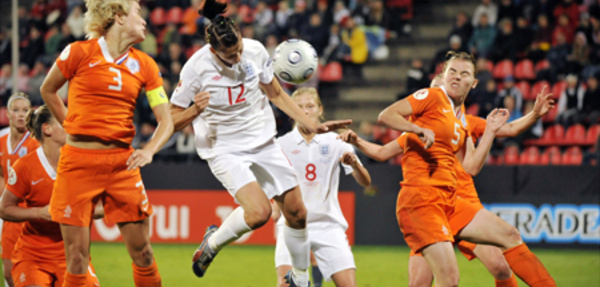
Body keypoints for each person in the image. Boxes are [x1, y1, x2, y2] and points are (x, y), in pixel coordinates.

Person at [168, 1, 350, 286]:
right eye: (230, 55)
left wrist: (308, 122)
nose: (239, 57)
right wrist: (194, 111)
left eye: (239, 48)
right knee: (259, 213)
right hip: (223, 148)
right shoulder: (196, 68)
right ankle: (212, 244)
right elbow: (171, 118)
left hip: (263, 141)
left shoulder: (254, 50)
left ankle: (300, 279)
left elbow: (275, 92)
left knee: (297, 213)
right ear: (214, 51)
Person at [340, 51, 556, 287]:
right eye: (451, 72)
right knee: (433, 281)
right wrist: (367, 140)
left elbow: (474, 164)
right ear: (442, 78)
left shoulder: (461, 124)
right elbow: (384, 131)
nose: (454, 78)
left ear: (473, 83)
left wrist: (533, 115)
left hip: (453, 199)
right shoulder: (429, 108)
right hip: (423, 200)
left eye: (463, 73)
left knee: (508, 242)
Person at [40, 0, 174, 286]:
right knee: (76, 258)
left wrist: (149, 149)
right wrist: (71, 124)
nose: (145, 21)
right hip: (77, 163)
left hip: (121, 166)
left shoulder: (146, 64)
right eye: (139, 14)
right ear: (118, 16)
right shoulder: (78, 52)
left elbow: (167, 120)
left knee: (144, 254)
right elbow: (47, 90)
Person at [274, 88, 371, 287]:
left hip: (328, 225)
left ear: (320, 110)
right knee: (285, 285)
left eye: (310, 106)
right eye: (298, 107)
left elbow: (365, 181)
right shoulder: (280, 145)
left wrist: (353, 164)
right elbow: (271, 182)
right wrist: (276, 205)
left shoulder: (336, 141)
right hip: (291, 226)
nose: (305, 111)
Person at [0, 105, 101, 287]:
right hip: (33, 255)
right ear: (47, 129)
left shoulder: (84, 164)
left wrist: (77, 211)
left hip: (74, 255)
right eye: (65, 122)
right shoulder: (25, 167)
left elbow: (103, 206)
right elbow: (4, 209)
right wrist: (40, 213)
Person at [0, 93, 40, 287]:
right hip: (9, 213)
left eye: (25, 110)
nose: (21, 115)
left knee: (33, 272)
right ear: (8, 113)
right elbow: (1, 174)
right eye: (16, 110)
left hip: (30, 211)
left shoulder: (36, 142)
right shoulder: (1, 140)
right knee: (8, 273)